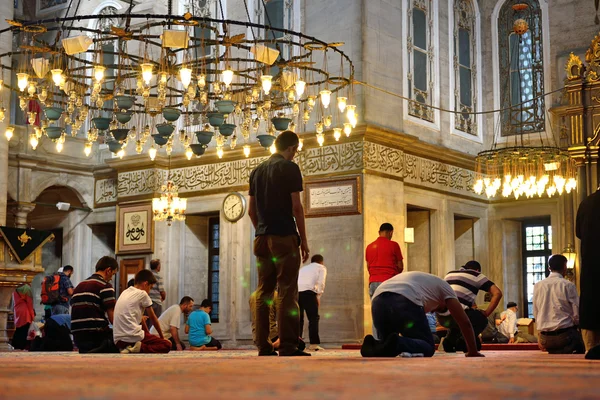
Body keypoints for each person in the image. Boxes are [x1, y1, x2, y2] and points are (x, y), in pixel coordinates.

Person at [249, 130, 310, 357]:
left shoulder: (257, 171)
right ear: (292, 148)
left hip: (262, 238)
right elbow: (296, 207)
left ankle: (263, 346)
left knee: (263, 292)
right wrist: (303, 239)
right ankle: (287, 346)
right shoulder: (290, 168)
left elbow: (250, 211)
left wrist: (262, 231)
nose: (295, 155)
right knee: (287, 291)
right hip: (284, 236)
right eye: (295, 151)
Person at [360, 271, 483, 358]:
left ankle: (372, 344)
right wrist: (473, 351)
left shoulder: (425, 283)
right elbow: (464, 322)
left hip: (378, 301)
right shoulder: (447, 289)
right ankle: (397, 342)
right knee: (428, 346)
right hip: (405, 298)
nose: (434, 311)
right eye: (440, 309)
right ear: (445, 303)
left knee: (385, 347)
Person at [438, 260, 503, 352]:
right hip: (458, 314)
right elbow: (497, 293)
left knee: (459, 320)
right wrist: (486, 313)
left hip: (442, 317)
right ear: (477, 270)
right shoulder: (476, 275)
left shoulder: (449, 274)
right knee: (481, 319)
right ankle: (464, 341)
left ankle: (449, 341)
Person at [533, 254, 585, 354]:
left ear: (549, 268)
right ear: (565, 267)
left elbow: (536, 312)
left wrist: (540, 335)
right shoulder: (568, 285)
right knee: (583, 344)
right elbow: (577, 313)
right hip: (565, 337)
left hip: (545, 339)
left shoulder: (538, 286)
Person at [113, 269, 171, 354]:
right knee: (167, 345)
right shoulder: (142, 294)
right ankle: (138, 348)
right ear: (146, 284)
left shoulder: (125, 292)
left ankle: (130, 348)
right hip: (132, 337)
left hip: (118, 340)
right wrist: (162, 337)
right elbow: (153, 318)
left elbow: (141, 320)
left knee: (148, 339)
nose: (149, 291)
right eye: (150, 288)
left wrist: (148, 336)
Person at [70, 256, 119, 353]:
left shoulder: (79, 285)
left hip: (77, 337)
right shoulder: (105, 286)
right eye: (113, 274)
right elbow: (112, 318)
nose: (111, 278)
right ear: (108, 270)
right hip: (97, 336)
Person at [575, 189, 600, 354]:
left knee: (591, 301)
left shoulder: (586, 203)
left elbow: (578, 233)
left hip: (591, 266)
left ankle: (592, 348)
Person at [365, 223, 404, 298]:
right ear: (391, 232)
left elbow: (368, 267)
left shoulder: (369, 247)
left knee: (376, 308)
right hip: (389, 281)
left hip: (373, 282)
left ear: (379, 232)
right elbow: (400, 266)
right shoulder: (394, 245)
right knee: (389, 308)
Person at [298, 254, 327, 351]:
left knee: (299, 318)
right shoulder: (321, 268)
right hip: (309, 293)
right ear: (321, 261)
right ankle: (313, 344)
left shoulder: (303, 268)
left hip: (296, 293)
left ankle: (297, 343)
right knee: (313, 318)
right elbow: (321, 283)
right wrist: (318, 296)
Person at [10, 283, 35, 350]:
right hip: (25, 311)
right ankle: (21, 346)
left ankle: (15, 345)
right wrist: (32, 316)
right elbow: (30, 304)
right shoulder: (27, 289)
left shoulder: (14, 288)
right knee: (24, 330)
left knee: (19, 329)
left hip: (17, 310)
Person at [147, 259, 166, 330]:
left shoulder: (147, 276)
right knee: (154, 323)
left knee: (147, 321)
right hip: (156, 302)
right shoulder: (158, 277)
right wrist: (163, 297)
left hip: (147, 302)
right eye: (159, 265)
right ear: (157, 267)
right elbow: (161, 290)